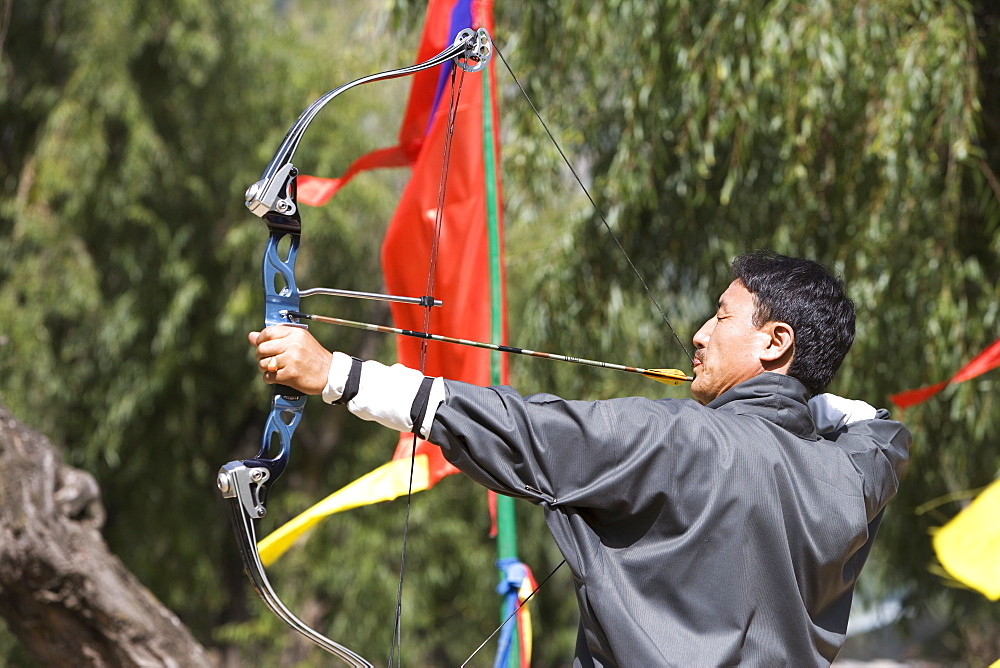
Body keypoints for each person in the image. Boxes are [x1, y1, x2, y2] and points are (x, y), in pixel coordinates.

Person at [249, 250, 910, 666]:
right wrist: (800, 404)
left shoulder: (683, 441)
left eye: (722, 316)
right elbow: (884, 432)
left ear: (775, 340)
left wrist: (335, 373)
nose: (699, 334)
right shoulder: (851, 476)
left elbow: (521, 431)